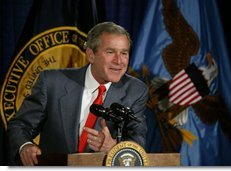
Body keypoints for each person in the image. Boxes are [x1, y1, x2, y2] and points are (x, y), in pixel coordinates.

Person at [7, 22, 148, 166]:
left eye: (124, 53)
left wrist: (113, 148)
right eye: (110, 52)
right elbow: (20, 125)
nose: (119, 61)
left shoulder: (135, 90)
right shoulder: (52, 83)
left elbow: (138, 141)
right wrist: (25, 146)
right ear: (91, 55)